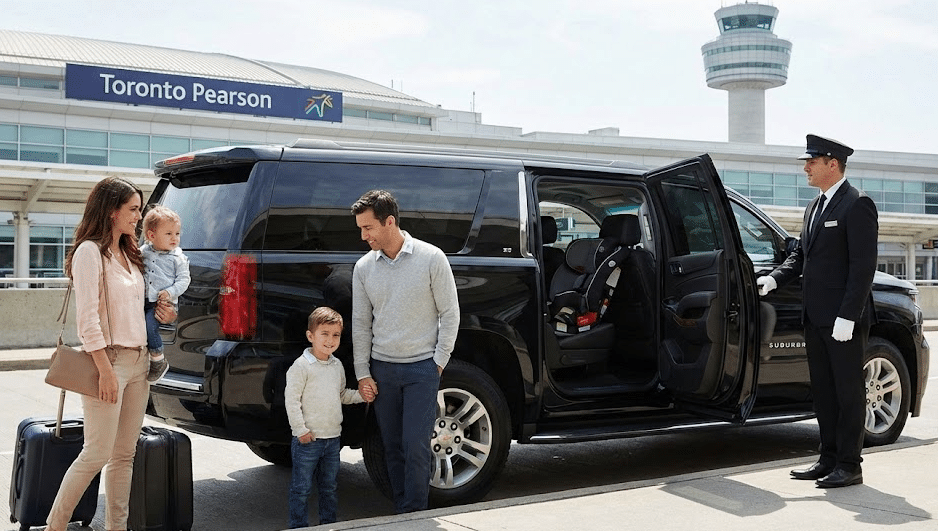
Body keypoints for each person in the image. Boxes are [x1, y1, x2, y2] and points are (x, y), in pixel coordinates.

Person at [47, 176, 175, 531]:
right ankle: (54, 526)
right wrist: (104, 370)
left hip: (138, 362)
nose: (138, 216)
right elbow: (87, 320)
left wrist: (164, 313)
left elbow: (138, 312)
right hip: (110, 362)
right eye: (133, 209)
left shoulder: (132, 253)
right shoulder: (90, 252)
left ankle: (117, 528)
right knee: (97, 453)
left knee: (124, 456)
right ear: (111, 211)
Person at [757, 134, 878, 488]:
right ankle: (827, 459)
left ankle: (849, 464)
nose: (806, 167)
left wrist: (848, 315)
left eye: (812, 161)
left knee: (848, 392)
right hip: (815, 317)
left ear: (832, 164)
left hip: (842, 321)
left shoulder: (857, 204)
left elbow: (862, 267)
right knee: (823, 392)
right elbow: (801, 256)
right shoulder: (815, 207)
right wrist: (774, 280)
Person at [351, 190, 460, 513]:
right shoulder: (363, 267)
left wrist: (438, 362)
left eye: (368, 228)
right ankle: (403, 509)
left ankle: (414, 511)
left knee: (415, 446)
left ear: (390, 222)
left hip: (421, 370)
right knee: (392, 446)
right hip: (382, 370)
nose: (363, 235)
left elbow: (450, 314)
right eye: (360, 228)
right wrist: (362, 372)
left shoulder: (431, 258)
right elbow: (361, 323)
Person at [284, 307, 372, 528]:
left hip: (333, 440)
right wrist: (300, 431)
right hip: (308, 440)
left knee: (329, 487)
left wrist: (362, 396)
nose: (330, 340)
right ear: (310, 336)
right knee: (301, 488)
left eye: (336, 335)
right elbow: (292, 401)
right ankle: (298, 525)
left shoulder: (337, 365)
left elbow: (341, 395)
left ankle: (328, 524)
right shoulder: (301, 367)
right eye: (324, 333)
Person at [140, 205, 190, 383]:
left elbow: (184, 281)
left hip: (161, 303)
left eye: (177, 233)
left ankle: (158, 358)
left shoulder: (178, 258)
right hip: (143, 300)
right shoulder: (144, 252)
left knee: (149, 325)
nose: (174, 238)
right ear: (152, 236)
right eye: (168, 234)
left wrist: (169, 293)